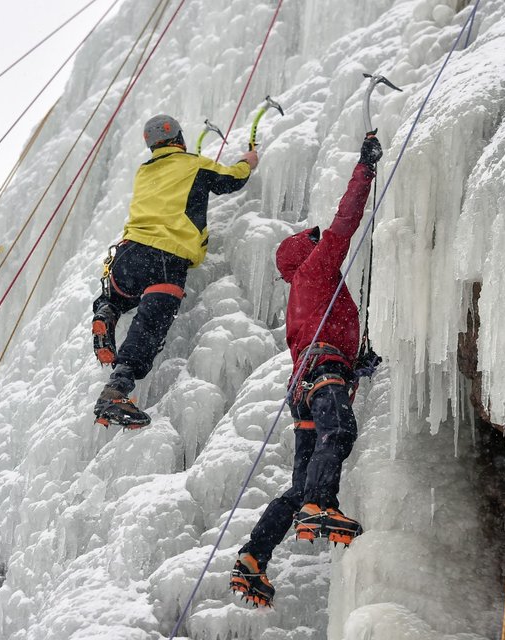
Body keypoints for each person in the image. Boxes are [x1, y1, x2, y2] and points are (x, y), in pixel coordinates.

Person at [230, 134, 383, 608]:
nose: (324, 247)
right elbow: (344, 222)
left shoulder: (304, 295)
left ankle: (254, 559)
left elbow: (327, 331)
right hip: (322, 373)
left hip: (309, 381)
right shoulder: (315, 270)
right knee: (338, 433)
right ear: (306, 253)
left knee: (298, 482)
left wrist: (359, 363)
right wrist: (365, 169)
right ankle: (320, 507)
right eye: (315, 245)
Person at [92, 114, 259, 428]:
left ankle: (106, 311)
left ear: (152, 145)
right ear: (180, 139)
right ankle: (117, 389)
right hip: (166, 259)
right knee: (150, 325)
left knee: (117, 296)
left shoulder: (144, 171)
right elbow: (230, 180)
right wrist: (247, 161)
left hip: (128, 254)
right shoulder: (193, 164)